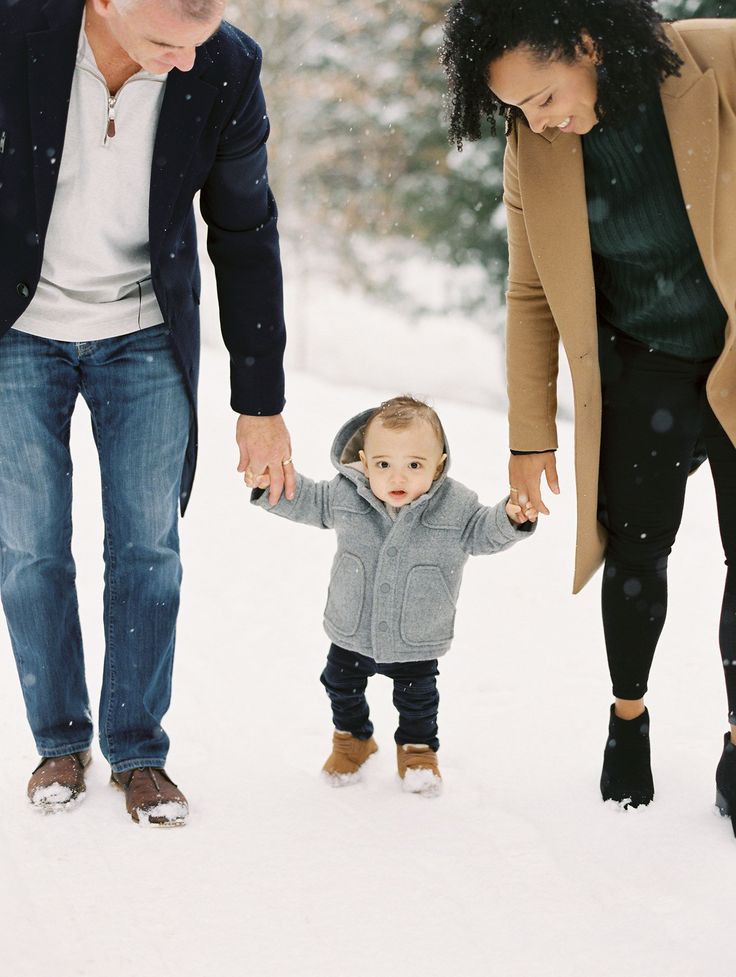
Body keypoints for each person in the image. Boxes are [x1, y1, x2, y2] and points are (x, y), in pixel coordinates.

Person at [440, 1, 736, 831]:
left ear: (585, 42)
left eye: (540, 96)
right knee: (638, 549)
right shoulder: (533, 149)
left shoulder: (717, 59)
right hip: (646, 366)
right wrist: (529, 433)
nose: (537, 121)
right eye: (517, 110)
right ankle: (628, 717)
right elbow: (529, 292)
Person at [0, 0, 295, 825]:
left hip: (143, 331)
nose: (185, 62)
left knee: (147, 546)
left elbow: (245, 230)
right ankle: (59, 740)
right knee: (28, 544)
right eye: (167, 43)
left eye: (197, 43)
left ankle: (138, 751)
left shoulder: (226, 66)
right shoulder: (16, 32)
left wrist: (260, 400)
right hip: (17, 329)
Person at [249, 396, 536, 796]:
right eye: (383, 464)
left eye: (414, 465)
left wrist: (510, 517)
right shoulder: (348, 495)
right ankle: (353, 740)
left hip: (415, 634)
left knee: (418, 701)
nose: (396, 478)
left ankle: (417, 752)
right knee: (339, 684)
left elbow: (482, 532)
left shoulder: (456, 506)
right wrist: (271, 487)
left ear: (438, 464)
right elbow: (309, 501)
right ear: (365, 462)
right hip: (352, 626)